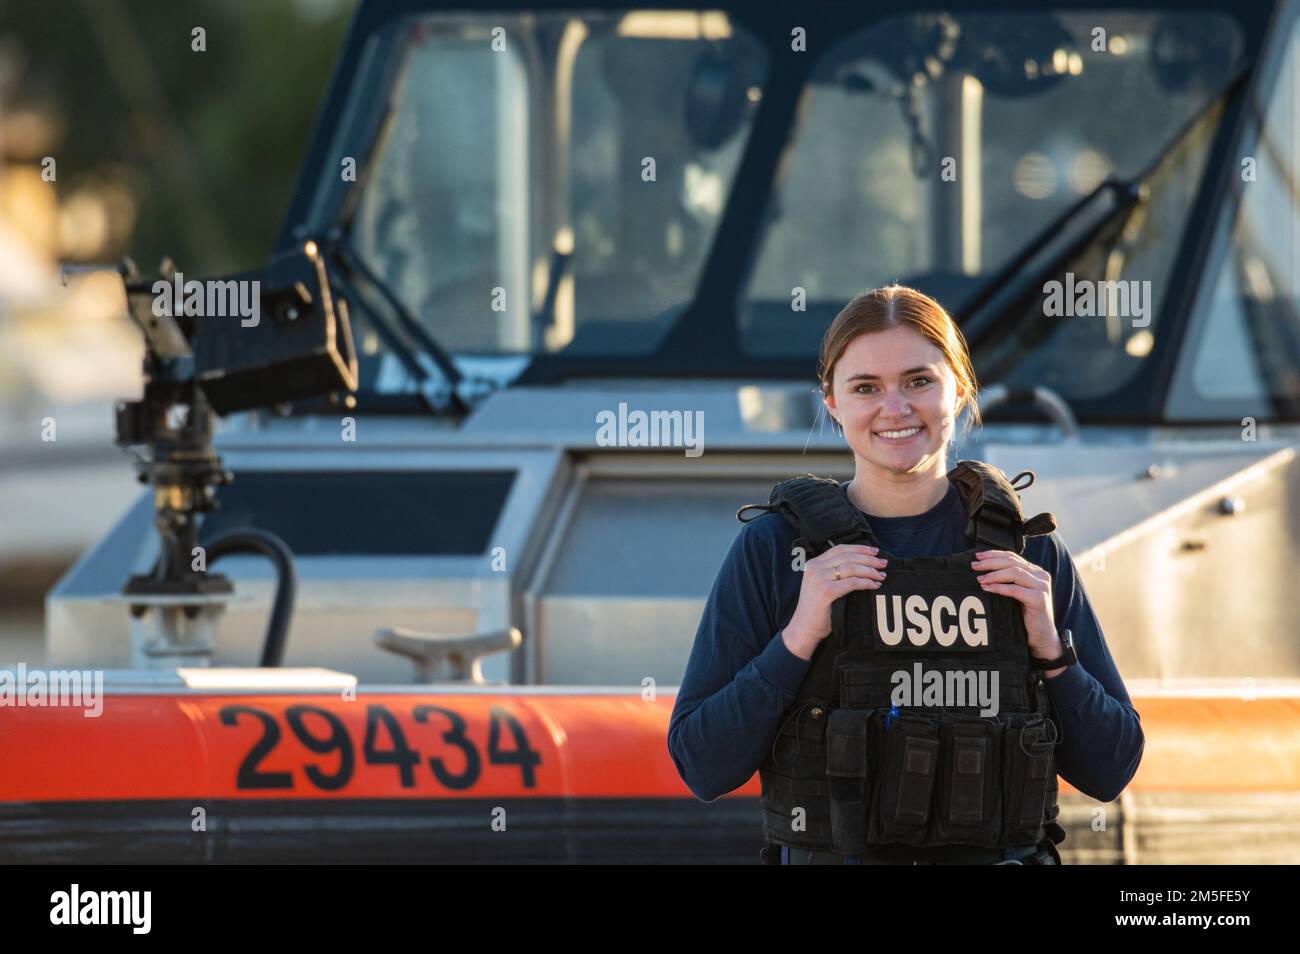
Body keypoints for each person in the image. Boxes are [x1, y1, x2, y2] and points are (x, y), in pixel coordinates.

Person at [667, 284, 1144, 864]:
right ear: (833, 403)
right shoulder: (774, 550)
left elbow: (1111, 770)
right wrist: (798, 637)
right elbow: (703, 765)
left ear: (961, 389)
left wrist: (1051, 651)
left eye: (919, 381)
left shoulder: (1029, 554)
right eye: (866, 388)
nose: (894, 409)